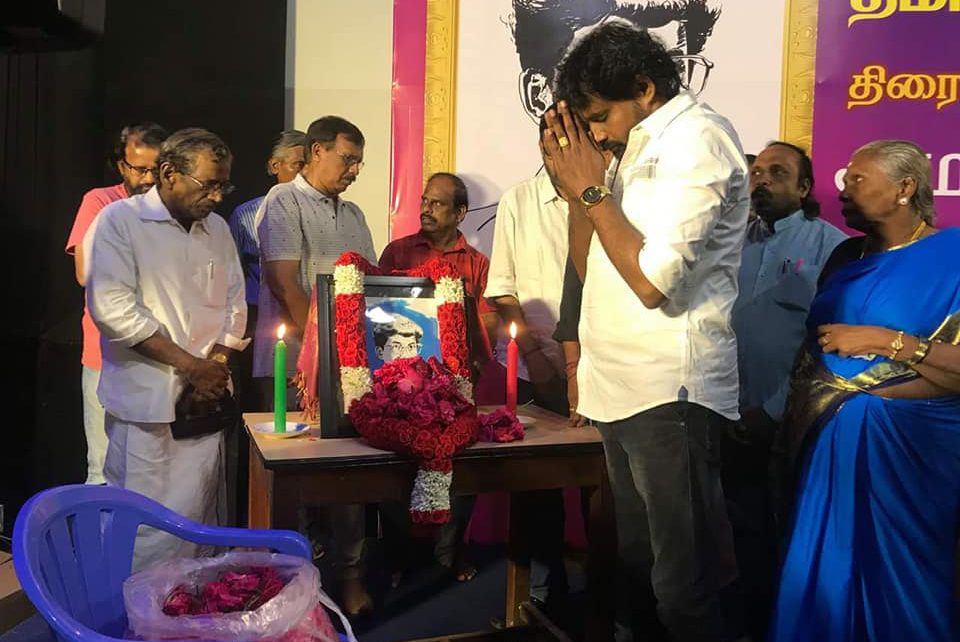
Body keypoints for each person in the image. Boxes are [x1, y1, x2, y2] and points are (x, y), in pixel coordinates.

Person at [547, 22, 749, 642]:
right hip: (617, 386)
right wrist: (576, 191)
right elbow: (593, 270)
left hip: (669, 390)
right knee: (638, 566)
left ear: (643, 87)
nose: (598, 132)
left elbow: (651, 283)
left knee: (683, 584)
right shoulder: (628, 147)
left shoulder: (699, 139)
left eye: (600, 116)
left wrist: (590, 189)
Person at [769, 140, 960, 642]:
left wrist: (884, 341)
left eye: (858, 179)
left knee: (909, 589)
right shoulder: (844, 256)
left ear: (904, 188)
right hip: (826, 449)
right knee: (823, 580)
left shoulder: (954, 257)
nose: (843, 190)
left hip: (913, 457)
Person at [87, 128, 246, 571]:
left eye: (223, 186)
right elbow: (114, 311)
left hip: (204, 406)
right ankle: (131, 610)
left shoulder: (217, 229)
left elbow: (234, 304)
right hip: (147, 409)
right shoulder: (120, 221)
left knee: (200, 523)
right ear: (170, 173)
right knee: (145, 529)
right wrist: (191, 366)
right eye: (208, 185)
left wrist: (214, 367)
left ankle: (190, 607)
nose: (217, 197)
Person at [254, 115, 376, 615]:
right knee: (295, 485)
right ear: (317, 151)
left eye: (359, 163)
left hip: (348, 368)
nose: (354, 171)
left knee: (349, 477)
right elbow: (285, 284)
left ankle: (349, 577)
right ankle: (292, 593)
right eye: (348, 159)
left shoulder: (355, 214)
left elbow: (367, 284)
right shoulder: (283, 201)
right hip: (294, 365)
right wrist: (321, 356)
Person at [728, 141, 846, 639]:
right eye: (756, 171)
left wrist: (773, 410)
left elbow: (828, 345)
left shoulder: (833, 248)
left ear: (804, 188)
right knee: (732, 540)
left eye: (777, 173)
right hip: (727, 418)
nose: (762, 180)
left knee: (786, 539)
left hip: (793, 423)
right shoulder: (731, 241)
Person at [377, 172, 494, 585]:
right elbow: (376, 309)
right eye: (424, 201)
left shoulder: (476, 264)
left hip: (455, 387)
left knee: (459, 470)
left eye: (437, 203)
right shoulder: (397, 252)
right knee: (397, 469)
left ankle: (451, 552)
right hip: (400, 384)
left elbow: (487, 324)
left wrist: (471, 360)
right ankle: (402, 556)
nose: (425, 209)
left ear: (460, 213)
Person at [65, 122, 167, 485]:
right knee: (103, 466)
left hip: (160, 354)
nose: (148, 178)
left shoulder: (173, 211)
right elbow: (84, 272)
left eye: (156, 169)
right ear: (121, 166)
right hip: (105, 354)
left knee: (153, 471)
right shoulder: (100, 201)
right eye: (139, 169)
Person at [227, 130, 305, 409]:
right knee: (260, 403)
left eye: (308, 166)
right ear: (275, 166)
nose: (303, 174)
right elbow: (232, 273)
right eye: (297, 165)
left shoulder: (318, 212)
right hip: (254, 319)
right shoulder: (245, 215)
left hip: (304, 317)